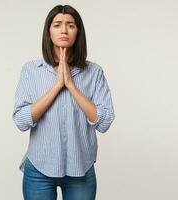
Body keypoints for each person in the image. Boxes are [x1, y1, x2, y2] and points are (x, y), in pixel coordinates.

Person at [12, 4, 115, 200]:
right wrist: (58, 85)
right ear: (48, 32)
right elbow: (20, 121)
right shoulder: (31, 71)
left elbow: (105, 121)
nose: (64, 30)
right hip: (39, 170)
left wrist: (71, 85)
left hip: (81, 170)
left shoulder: (94, 73)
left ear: (78, 32)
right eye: (57, 25)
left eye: (71, 25)